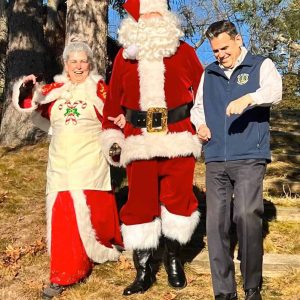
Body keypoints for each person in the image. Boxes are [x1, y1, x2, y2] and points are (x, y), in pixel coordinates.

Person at [101, 0, 204, 295]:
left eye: (156, 13)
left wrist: (200, 126)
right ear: (135, 20)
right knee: (140, 204)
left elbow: (202, 91)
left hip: (178, 139)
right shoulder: (124, 56)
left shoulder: (184, 52)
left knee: (178, 201)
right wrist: (113, 136)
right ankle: (143, 271)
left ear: (167, 16)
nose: (151, 19)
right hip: (139, 139)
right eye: (145, 15)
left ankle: (174, 261)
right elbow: (112, 103)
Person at [12, 41, 123, 299]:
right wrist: (27, 86)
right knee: (64, 218)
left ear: (90, 63)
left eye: (83, 61)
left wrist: (116, 144)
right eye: (73, 61)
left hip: (90, 162)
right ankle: (63, 273)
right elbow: (30, 105)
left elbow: (115, 119)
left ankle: (101, 249)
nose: (78, 66)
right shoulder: (55, 90)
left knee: (94, 216)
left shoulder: (100, 90)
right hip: (60, 164)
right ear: (66, 64)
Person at [191, 20, 282, 300]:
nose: (220, 54)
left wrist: (249, 98)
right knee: (216, 225)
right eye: (215, 50)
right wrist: (200, 125)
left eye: (224, 47)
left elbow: (275, 92)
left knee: (245, 215)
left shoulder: (259, 64)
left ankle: (251, 286)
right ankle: (224, 291)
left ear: (238, 40)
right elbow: (197, 108)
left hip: (249, 155)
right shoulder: (210, 73)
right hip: (216, 156)